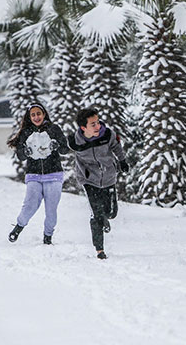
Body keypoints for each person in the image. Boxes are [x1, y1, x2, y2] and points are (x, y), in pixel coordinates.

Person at [68, 107, 129, 259]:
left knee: (111, 213)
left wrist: (122, 161)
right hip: (89, 179)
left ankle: (105, 218)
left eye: (97, 122)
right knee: (96, 214)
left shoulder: (107, 134)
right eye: (93, 124)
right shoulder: (75, 141)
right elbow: (63, 147)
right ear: (83, 128)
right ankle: (99, 249)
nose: (98, 126)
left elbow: (116, 146)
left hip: (108, 177)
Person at [6, 103, 69, 245]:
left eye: (38, 114)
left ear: (44, 114)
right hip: (34, 174)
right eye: (33, 115)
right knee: (30, 205)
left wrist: (56, 145)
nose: (36, 117)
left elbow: (65, 149)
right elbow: (20, 155)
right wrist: (25, 152)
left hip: (53, 174)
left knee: (51, 210)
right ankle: (18, 227)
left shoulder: (54, 129)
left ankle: (48, 236)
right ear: (29, 117)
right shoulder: (26, 132)